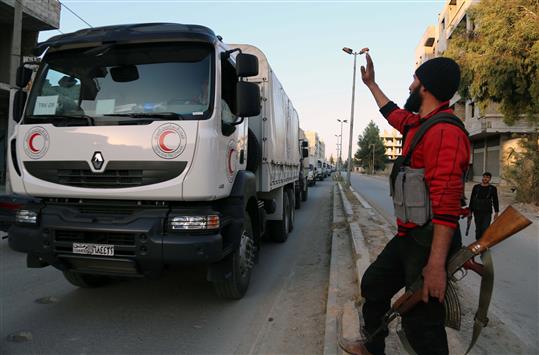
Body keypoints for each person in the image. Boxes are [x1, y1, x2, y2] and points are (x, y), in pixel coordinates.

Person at [349, 54, 471, 355]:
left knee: (421, 322)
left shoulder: (446, 133)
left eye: (414, 80)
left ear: (425, 88)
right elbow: (392, 113)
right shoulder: (420, 124)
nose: (410, 85)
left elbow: (446, 207)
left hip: (430, 242)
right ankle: (372, 346)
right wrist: (371, 85)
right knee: (374, 285)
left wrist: (436, 266)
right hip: (410, 237)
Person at [469, 172, 499, 240]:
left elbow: (495, 200)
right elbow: (472, 200)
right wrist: (470, 211)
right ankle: (478, 243)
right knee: (478, 229)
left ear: (490, 179)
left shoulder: (493, 188)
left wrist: (496, 212)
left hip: (487, 212)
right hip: (477, 211)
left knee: (485, 228)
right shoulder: (476, 187)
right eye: (484, 177)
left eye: (487, 177)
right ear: (482, 178)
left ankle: (483, 243)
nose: (485, 178)